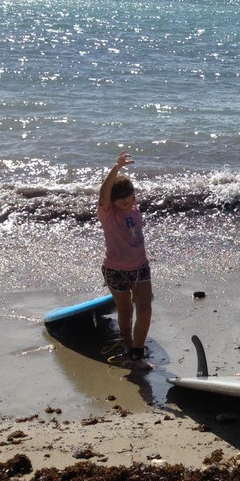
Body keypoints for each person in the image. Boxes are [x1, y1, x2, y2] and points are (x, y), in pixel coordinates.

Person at [98, 151, 153, 366]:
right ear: (113, 203)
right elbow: (103, 194)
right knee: (125, 310)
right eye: (123, 203)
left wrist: (129, 198)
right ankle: (128, 345)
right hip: (115, 270)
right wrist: (116, 168)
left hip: (141, 267)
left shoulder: (134, 208)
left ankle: (138, 352)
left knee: (145, 310)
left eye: (132, 200)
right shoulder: (108, 213)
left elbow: (129, 200)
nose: (129, 205)